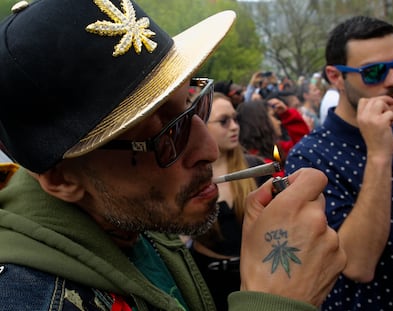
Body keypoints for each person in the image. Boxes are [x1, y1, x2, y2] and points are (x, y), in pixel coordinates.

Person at [0, 0, 346, 310]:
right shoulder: (28, 298)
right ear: (62, 179)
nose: (209, 150)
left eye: (193, 106)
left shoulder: (127, 217)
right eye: (164, 136)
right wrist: (274, 302)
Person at [286, 15, 393, 310]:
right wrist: (379, 155)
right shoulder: (309, 158)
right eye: (375, 72)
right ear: (335, 77)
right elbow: (356, 263)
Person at [190, 92, 265, 311]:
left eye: (235, 119)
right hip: (207, 283)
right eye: (224, 121)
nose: (234, 127)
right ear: (200, 125)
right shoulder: (188, 177)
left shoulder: (256, 169)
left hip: (255, 278)